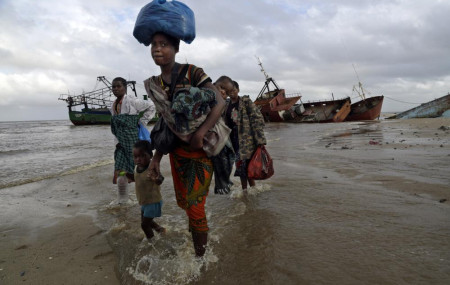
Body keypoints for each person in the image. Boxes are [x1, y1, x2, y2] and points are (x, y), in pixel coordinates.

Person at [142, 32, 225, 257]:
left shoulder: (193, 72)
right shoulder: (155, 84)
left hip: (201, 151)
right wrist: (156, 159)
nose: (157, 49)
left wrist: (201, 132)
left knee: (196, 206)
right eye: (153, 45)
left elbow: (219, 102)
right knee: (187, 204)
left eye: (164, 45)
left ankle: (200, 262)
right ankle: (197, 243)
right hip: (177, 154)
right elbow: (166, 125)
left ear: (176, 48)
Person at [218, 77, 267, 190]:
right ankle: (248, 191)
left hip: (246, 141)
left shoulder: (245, 102)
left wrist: (260, 140)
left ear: (238, 90)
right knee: (241, 166)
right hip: (233, 140)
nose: (232, 93)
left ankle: (250, 190)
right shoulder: (226, 105)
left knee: (245, 166)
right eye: (230, 92)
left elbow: (258, 119)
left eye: (234, 90)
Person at [110, 77, 155, 184]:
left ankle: (139, 187)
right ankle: (124, 195)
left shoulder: (131, 100)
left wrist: (142, 121)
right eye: (113, 87)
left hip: (131, 138)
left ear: (125, 88)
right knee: (118, 169)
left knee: (134, 164)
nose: (115, 89)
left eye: (118, 86)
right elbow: (116, 127)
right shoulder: (113, 105)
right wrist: (117, 142)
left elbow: (151, 106)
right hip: (120, 141)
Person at [133, 140, 165, 240]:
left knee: (144, 225)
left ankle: (152, 242)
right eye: (136, 157)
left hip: (153, 202)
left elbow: (161, 179)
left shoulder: (151, 168)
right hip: (144, 202)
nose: (138, 159)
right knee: (147, 221)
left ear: (151, 155)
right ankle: (160, 229)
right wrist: (127, 176)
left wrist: (156, 179)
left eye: (142, 156)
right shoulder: (137, 168)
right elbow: (138, 178)